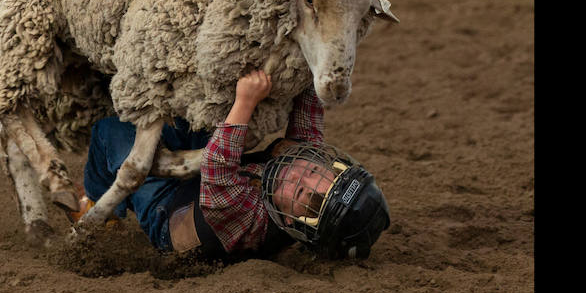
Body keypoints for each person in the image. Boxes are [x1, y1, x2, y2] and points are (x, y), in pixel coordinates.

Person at [78, 70, 390, 261]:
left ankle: (102, 211)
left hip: (169, 208)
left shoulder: (249, 223)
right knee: (199, 110)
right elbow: (308, 118)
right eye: (315, 173)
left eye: (303, 194)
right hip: (205, 180)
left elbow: (217, 167)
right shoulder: (303, 172)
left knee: (111, 131)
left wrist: (245, 101)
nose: (300, 174)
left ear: (298, 226)